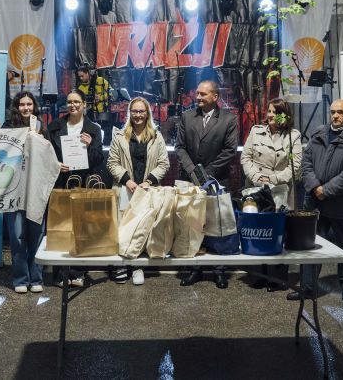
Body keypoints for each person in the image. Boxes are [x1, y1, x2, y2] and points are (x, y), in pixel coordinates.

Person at [287, 99, 343, 302]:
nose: (336, 116)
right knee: (311, 246)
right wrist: (315, 187)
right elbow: (306, 162)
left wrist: (326, 190)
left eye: (340, 112)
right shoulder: (318, 134)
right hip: (314, 202)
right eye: (333, 112)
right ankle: (307, 287)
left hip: (341, 205)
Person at [175, 80, 238, 289]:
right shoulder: (186, 116)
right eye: (197, 93)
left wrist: (206, 174)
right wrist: (193, 172)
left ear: (215, 97)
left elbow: (230, 150)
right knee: (193, 226)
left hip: (217, 180)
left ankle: (219, 271)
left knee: (216, 226)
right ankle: (195, 269)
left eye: (203, 94)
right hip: (190, 180)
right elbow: (180, 147)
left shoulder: (229, 119)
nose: (198, 97)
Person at [106, 97, 170, 285]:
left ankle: (137, 267)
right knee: (123, 229)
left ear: (147, 113)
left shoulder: (156, 136)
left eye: (141, 111)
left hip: (147, 190)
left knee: (142, 230)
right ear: (130, 113)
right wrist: (127, 181)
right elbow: (112, 163)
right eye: (134, 111)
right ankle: (121, 265)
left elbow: (164, 163)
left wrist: (148, 181)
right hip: (125, 189)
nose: (138, 115)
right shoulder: (120, 136)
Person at [241, 97, 302, 291]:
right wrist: (257, 177)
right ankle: (258, 275)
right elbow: (245, 157)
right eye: (269, 111)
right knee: (258, 231)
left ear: (285, 115)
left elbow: (295, 166)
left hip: (281, 190)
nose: (270, 115)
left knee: (278, 233)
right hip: (257, 189)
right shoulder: (256, 131)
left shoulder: (293, 136)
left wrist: (273, 180)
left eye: (275, 112)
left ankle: (278, 278)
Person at [44, 89, 104, 287]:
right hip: (60, 182)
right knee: (60, 227)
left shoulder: (94, 129)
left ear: (84, 104)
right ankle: (59, 274)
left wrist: (91, 145)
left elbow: (98, 160)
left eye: (77, 101)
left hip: (83, 183)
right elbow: (46, 155)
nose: (73, 105)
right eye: (70, 102)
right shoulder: (54, 126)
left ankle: (78, 273)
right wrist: (56, 165)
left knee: (81, 228)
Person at [2, 91, 45, 294]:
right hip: (14, 189)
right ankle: (20, 278)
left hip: (36, 188)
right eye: (22, 104)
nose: (26, 108)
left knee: (37, 234)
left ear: (34, 106)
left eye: (29, 104)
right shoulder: (8, 126)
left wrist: (40, 139)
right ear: (16, 107)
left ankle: (36, 277)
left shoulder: (41, 126)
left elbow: (48, 154)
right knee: (17, 235)